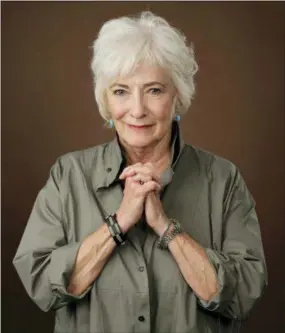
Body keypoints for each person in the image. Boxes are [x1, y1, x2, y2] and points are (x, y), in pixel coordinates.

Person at [13, 11, 267, 333]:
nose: (137, 110)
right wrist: (118, 223)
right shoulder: (68, 175)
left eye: (154, 90)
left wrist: (165, 226)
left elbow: (243, 295)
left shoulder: (223, 179)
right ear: (105, 100)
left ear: (177, 96)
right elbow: (41, 285)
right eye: (120, 91)